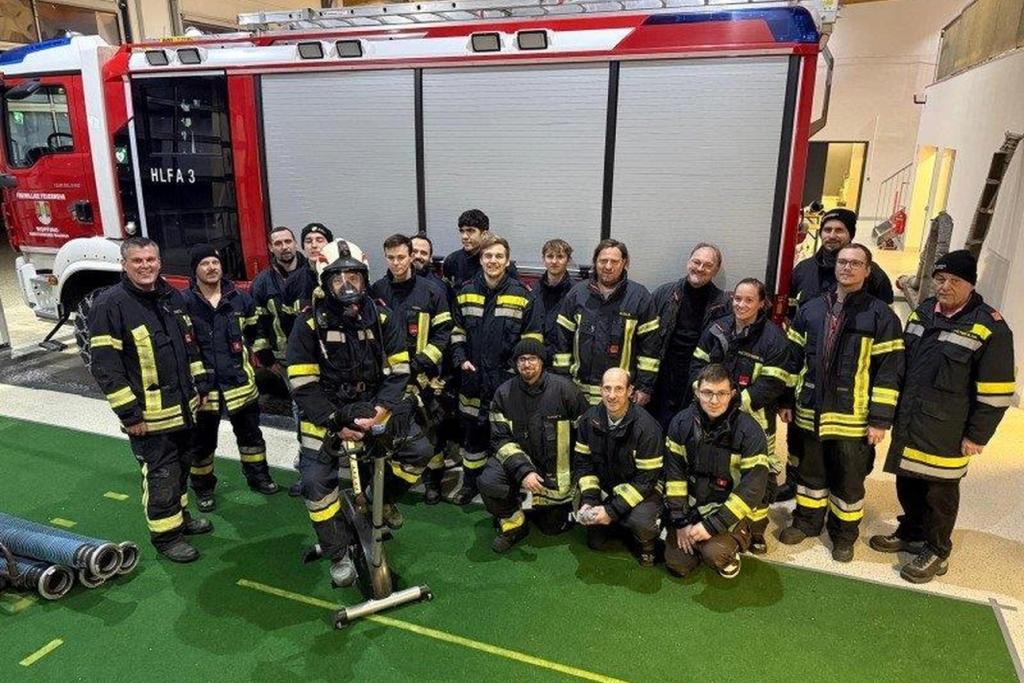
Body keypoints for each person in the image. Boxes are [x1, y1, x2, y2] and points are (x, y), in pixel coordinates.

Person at [286, 242, 433, 586]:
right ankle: (337, 552)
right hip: (326, 415)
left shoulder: (382, 317)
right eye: (339, 278)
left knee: (419, 452)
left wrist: (381, 410)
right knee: (315, 484)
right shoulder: (308, 324)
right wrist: (336, 423)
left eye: (354, 276)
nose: (348, 285)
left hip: (373, 408)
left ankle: (376, 501)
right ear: (325, 281)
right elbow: (303, 385)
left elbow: (399, 371)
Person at [872, 250, 1015, 583]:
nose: (945, 286)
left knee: (940, 492)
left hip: (948, 429)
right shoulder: (922, 313)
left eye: (954, 280)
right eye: (940, 279)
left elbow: (996, 392)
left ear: (969, 284)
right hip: (911, 420)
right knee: (908, 481)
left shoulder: (989, 328)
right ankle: (911, 532)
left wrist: (977, 436)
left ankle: (937, 550)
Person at [88, 237, 213, 563]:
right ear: (124, 265)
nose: (146, 266)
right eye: (138, 261)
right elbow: (106, 367)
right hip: (148, 418)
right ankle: (166, 537)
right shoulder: (110, 305)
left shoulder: (171, 296)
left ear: (160, 261)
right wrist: (130, 415)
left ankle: (180, 519)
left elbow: (189, 345)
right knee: (162, 475)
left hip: (183, 410)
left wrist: (200, 386)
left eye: (151, 260)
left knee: (182, 468)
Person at [779, 244, 904, 562]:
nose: (847, 267)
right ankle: (806, 523)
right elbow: (792, 359)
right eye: (843, 262)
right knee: (810, 476)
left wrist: (879, 419)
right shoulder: (811, 310)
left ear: (868, 269)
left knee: (848, 482)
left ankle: (843, 536)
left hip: (854, 417)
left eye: (855, 263)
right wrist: (785, 398)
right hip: (810, 413)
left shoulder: (881, 316)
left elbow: (889, 373)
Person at [780, 208, 895, 501]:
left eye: (839, 230)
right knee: (804, 451)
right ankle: (797, 489)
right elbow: (794, 323)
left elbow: (885, 361)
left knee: (848, 465)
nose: (832, 235)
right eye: (828, 229)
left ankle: (841, 519)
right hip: (811, 390)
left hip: (850, 400)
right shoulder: (803, 271)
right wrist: (786, 396)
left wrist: (880, 418)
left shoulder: (878, 292)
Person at [689, 278, 790, 554]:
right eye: (737, 299)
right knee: (719, 467)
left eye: (748, 300)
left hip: (755, 420)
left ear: (761, 303)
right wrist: (702, 394)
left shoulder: (774, 338)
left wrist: (733, 403)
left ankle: (756, 531)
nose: (741, 305)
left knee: (759, 477)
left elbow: (773, 383)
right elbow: (697, 364)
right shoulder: (717, 328)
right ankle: (721, 521)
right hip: (713, 416)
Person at [182, 244, 279, 513]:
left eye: (215, 262)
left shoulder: (240, 298)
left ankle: (259, 477)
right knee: (202, 443)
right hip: (204, 388)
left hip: (239, 383)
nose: (211, 267)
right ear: (196, 269)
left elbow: (256, 332)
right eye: (205, 263)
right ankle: (203, 489)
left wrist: (267, 360)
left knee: (250, 436)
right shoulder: (183, 302)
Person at [449, 234, 541, 505]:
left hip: (507, 383)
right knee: (472, 436)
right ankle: (470, 484)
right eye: (488, 256)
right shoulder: (465, 292)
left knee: (508, 436)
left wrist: (519, 372)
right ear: (481, 259)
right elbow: (456, 331)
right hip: (472, 380)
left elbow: (532, 340)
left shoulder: (523, 296)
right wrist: (460, 358)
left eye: (499, 256)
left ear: (507, 260)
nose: (493, 261)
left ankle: (511, 486)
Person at [478, 339, 589, 552]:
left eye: (532, 359)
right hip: (518, 467)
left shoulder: (565, 390)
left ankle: (539, 507)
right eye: (522, 359)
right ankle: (514, 524)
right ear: (516, 363)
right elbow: (500, 440)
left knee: (553, 528)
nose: (527, 364)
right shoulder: (504, 394)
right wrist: (523, 471)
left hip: (555, 476)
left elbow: (585, 434)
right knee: (489, 482)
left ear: (541, 361)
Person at [663, 364, 769, 579]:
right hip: (694, 508)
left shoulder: (749, 431)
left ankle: (729, 547)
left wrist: (713, 526)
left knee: (715, 553)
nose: (714, 401)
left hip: (730, 512)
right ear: (696, 392)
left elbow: (752, 489)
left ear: (732, 394)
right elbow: (675, 477)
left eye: (721, 393)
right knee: (677, 564)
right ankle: (699, 540)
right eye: (707, 393)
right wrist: (681, 521)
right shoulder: (680, 423)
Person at [370, 234, 453, 504]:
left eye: (401, 257)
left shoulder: (432, 291)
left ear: (411, 257)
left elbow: (443, 333)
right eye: (391, 258)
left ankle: (432, 481)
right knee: (386, 430)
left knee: (430, 431)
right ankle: (385, 484)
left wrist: (422, 362)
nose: (397, 263)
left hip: (423, 378)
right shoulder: (377, 291)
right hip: (387, 379)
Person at [553, 239, 660, 407]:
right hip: (579, 393)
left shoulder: (639, 297)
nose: (608, 266)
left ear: (624, 263)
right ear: (595, 262)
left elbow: (650, 351)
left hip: (620, 394)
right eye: (603, 261)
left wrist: (644, 388)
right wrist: (563, 383)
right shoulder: (577, 294)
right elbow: (561, 343)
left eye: (614, 261)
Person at [574, 368, 663, 566]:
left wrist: (612, 511)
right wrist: (589, 500)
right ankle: (616, 523)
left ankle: (647, 543)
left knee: (640, 522)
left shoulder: (648, 428)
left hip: (642, 491)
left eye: (618, 389)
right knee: (594, 541)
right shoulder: (588, 420)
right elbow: (583, 465)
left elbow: (646, 480)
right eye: (607, 388)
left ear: (630, 391)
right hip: (607, 489)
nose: (612, 395)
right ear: (600, 390)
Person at [651, 243, 730, 428]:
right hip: (663, 377)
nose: (700, 268)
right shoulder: (664, 294)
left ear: (716, 270)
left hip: (698, 378)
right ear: (688, 262)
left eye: (707, 265)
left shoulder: (723, 304)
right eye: (696, 262)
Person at [251, 226, 305, 371]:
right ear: (270, 247)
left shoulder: (312, 275)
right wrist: (268, 361)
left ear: (295, 244)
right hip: (282, 360)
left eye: (288, 241)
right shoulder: (261, 283)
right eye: (278, 243)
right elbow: (256, 327)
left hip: (314, 354)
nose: (284, 247)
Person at [441, 209, 518, 291]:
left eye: (470, 231)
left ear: (484, 234)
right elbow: (446, 293)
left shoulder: (502, 265)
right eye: (462, 231)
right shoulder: (452, 261)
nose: (464, 237)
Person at [531, 238, 577, 364]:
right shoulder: (533, 291)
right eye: (550, 256)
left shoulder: (576, 293)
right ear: (543, 260)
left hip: (564, 364)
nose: (554, 261)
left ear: (568, 260)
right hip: (537, 361)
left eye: (560, 257)